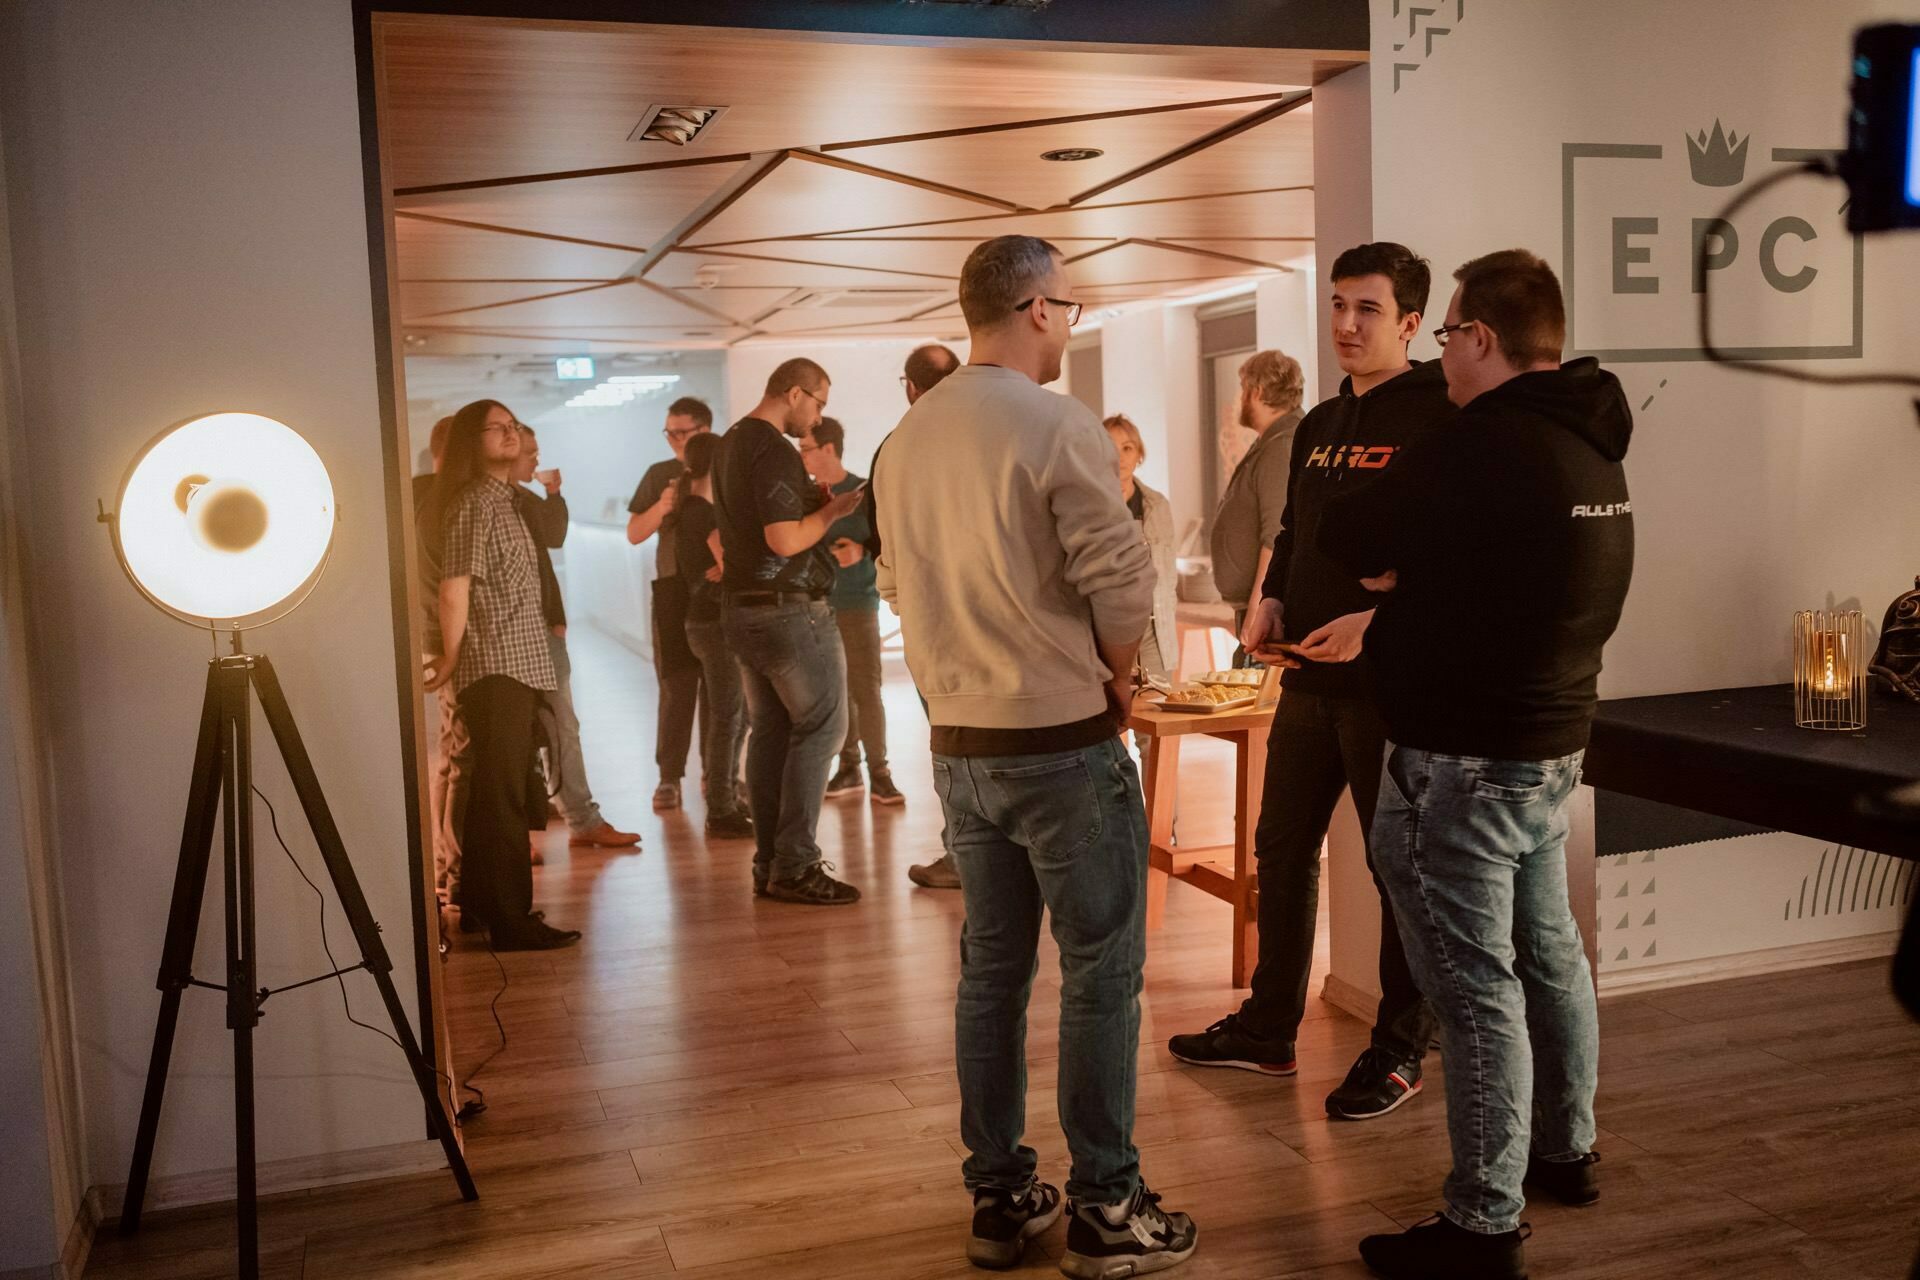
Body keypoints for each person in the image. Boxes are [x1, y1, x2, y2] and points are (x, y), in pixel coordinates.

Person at [874, 235, 1197, 1277]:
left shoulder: (906, 439)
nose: (1072, 322)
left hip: (962, 745)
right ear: (1036, 310)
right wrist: (1117, 673)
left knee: (991, 973)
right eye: (1070, 305)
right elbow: (1120, 576)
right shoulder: (1054, 421)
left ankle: (1003, 1196)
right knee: (1102, 971)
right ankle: (1107, 1205)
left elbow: (896, 590)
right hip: (1061, 740)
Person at [1321, 250, 1634, 1280]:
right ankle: (1565, 1147)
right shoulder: (1593, 450)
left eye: (1449, 331)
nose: (1445, 349)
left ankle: (1483, 1220)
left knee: (1473, 988)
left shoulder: (1472, 450)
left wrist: (1397, 578)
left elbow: (1352, 537)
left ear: (1483, 340)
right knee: (1549, 955)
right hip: (1550, 753)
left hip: (1460, 763)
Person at [1169, 243, 1447, 1122]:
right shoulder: (1322, 424)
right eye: (1337, 306)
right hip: (1306, 683)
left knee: (1396, 868)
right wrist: (1273, 596)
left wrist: (1381, 621)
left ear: (1410, 321)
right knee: (1279, 849)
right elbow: (1294, 529)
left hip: (1388, 686)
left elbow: (1458, 554)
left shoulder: (1441, 414)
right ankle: (1268, 1027)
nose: (1346, 325)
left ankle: (1402, 1046)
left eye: (1367, 310)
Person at [422, 399, 580, 951]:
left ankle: (484, 907)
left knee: (498, 792)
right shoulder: (473, 503)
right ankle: (511, 920)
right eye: (499, 428)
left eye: (514, 425)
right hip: (493, 666)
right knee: (503, 797)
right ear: (473, 440)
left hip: (518, 662)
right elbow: (454, 586)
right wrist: (448, 657)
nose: (511, 434)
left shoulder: (509, 500)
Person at [713, 358, 865, 905]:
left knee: (771, 732)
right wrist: (834, 512)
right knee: (824, 728)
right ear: (795, 393)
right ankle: (796, 865)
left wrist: (811, 509)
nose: (819, 416)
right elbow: (781, 540)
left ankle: (769, 864)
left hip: (742, 609)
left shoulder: (730, 442)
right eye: (819, 402)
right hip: (787, 612)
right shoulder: (774, 447)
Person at [512, 426, 640, 853]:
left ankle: (563, 815)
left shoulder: (521, 499)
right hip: (524, 632)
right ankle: (578, 818)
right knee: (557, 726)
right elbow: (552, 540)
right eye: (530, 452)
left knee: (554, 726)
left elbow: (551, 539)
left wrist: (554, 494)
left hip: (539, 628)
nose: (536, 459)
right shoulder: (504, 502)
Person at [888, 344, 965, 891]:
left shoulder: (899, 448)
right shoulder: (989, 435)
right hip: (992, 621)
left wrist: (902, 604)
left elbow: (886, 545)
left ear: (909, 387)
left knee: (953, 745)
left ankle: (965, 857)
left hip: (934, 624)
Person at [802, 416, 903, 807]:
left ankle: (879, 771)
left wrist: (859, 553)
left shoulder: (862, 493)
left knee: (866, 688)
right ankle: (849, 768)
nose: (802, 457)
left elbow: (884, 545)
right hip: (817, 608)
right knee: (836, 693)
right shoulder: (805, 497)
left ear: (829, 448)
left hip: (858, 603)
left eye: (806, 449)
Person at [628, 396, 714, 814]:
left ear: (705, 430)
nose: (675, 440)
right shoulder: (659, 474)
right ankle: (669, 777)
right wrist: (661, 507)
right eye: (670, 432)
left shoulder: (722, 466)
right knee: (676, 687)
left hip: (717, 591)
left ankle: (719, 774)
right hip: (672, 590)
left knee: (721, 691)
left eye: (683, 432)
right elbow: (634, 533)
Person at [670, 432, 753, 841]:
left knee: (737, 714)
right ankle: (721, 807)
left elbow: (729, 565)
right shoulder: (702, 512)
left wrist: (732, 566)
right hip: (712, 624)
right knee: (729, 715)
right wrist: (736, 564)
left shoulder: (694, 509)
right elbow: (734, 562)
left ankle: (727, 797)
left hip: (707, 622)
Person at [1208, 350, 1305, 637]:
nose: (1239, 398)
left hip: (1267, 613)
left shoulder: (1281, 446)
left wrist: (1255, 614)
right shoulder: (1271, 440)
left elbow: (1275, 536)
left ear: (1257, 391)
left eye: (1242, 389)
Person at [1103, 414, 1176, 685]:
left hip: (1154, 629)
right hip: (1107, 630)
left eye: (1127, 448)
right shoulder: (1089, 504)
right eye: (1110, 447)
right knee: (1110, 719)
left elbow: (1168, 575)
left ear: (1139, 455)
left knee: (1159, 714)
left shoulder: (1158, 505)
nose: (1120, 457)